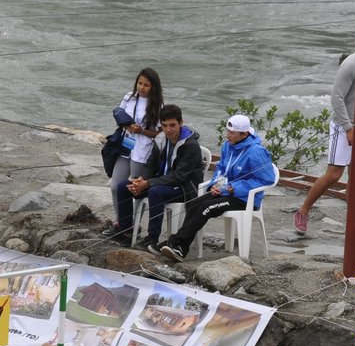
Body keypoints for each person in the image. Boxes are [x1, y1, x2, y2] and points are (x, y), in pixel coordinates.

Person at [156, 113, 274, 262]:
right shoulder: (228, 146)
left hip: (245, 199)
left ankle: (177, 244)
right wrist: (215, 185)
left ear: (244, 134)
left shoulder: (256, 152)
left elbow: (267, 179)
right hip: (226, 192)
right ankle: (180, 246)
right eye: (228, 131)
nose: (228, 135)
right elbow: (221, 169)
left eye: (232, 133)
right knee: (193, 204)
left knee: (208, 208)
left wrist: (236, 187)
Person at [292, 51, 355, 236]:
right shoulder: (351, 65)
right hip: (343, 125)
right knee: (334, 175)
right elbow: (336, 98)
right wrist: (348, 128)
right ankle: (303, 211)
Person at [126, 104, 204, 250]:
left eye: (173, 125)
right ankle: (124, 231)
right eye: (165, 125)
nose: (168, 130)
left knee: (156, 192)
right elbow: (150, 165)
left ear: (181, 123)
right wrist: (141, 179)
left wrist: (149, 183)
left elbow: (180, 176)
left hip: (184, 188)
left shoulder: (191, 145)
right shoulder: (161, 139)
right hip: (162, 182)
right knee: (125, 186)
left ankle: (152, 239)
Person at [102, 67, 162, 241]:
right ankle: (122, 223)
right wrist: (127, 126)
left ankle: (133, 226)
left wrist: (142, 130)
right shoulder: (129, 97)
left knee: (134, 189)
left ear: (153, 87)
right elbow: (119, 115)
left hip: (143, 150)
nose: (142, 87)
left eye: (146, 85)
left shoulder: (157, 105)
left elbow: (160, 132)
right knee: (116, 186)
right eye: (140, 83)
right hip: (126, 146)